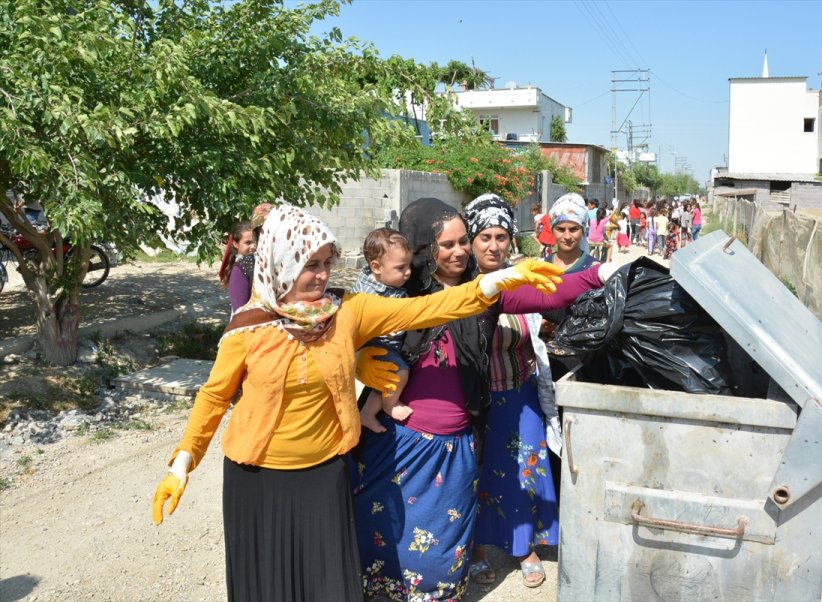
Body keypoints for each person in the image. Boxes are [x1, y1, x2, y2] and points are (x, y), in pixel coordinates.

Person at [151, 204, 562, 602]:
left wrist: (494, 282)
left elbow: (427, 308)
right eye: (310, 265)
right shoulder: (248, 327)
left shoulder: (346, 311)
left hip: (324, 473)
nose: (322, 275)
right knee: (269, 581)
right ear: (280, 263)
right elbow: (214, 396)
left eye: (327, 263)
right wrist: (183, 459)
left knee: (325, 579)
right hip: (257, 479)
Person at [351, 197, 583, 600]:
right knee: (387, 536)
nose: (460, 251)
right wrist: (358, 362)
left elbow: (549, 295)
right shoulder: (400, 294)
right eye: (448, 244)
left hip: (456, 442)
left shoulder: (483, 291)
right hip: (400, 445)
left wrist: (604, 274)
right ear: (425, 247)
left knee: (443, 550)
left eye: (464, 242)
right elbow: (339, 334)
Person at [463, 194, 616, 589]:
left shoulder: (521, 276)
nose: (494, 245)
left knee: (527, 470)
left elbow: (554, 295)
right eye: (484, 237)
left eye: (501, 236)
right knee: (479, 475)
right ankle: (478, 549)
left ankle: (523, 546)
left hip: (522, 391)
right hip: (479, 400)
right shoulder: (462, 289)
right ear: (472, 241)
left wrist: (603, 274)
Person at [352, 228, 414, 433]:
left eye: (409, 265)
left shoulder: (380, 281)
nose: (408, 272)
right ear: (376, 267)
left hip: (386, 345)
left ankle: (367, 414)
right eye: (400, 267)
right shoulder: (371, 295)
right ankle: (389, 406)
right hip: (376, 345)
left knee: (382, 381)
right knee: (399, 374)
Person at [546, 193, 597, 274]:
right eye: (561, 229)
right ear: (552, 231)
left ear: (583, 231)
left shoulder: (594, 270)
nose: (567, 236)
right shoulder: (542, 268)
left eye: (573, 229)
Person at [218, 221, 256, 314]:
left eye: (255, 241)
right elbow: (240, 311)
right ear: (236, 244)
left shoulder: (254, 261)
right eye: (248, 243)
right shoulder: (239, 270)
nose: (253, 246)